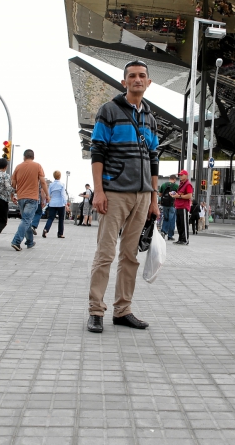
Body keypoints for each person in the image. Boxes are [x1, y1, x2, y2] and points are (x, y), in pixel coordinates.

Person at [87, 60, 160, 333]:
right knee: (105, 253)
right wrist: (99, 191)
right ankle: (96, 310)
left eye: (142, 76)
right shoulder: (108, 110)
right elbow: (98, 152)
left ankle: (123, 310)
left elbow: (153, 158)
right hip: (114, 194)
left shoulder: (151, 118)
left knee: (130, 255)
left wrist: (153, 199)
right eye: (132, 76)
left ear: (149, 82)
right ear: (124, 82)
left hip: (142, 196)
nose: (137, 79)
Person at [10, 149, 48, 251]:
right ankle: (16, 241)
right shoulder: (37, 166)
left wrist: (11, 195)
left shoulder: (18, 167)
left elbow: (13, 184)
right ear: (33, 157)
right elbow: (43, 182)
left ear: (24, 157)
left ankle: (30, 242)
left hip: (21, 198)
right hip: (32, 198)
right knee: (26, 220)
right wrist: (47, 195)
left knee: (26, 220)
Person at [43, 170, 68, 238]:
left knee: (50, 218)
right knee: (61, 219)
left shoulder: (51, 184)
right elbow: (63, 195)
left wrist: (45, 202)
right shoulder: (62, 184)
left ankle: (46, 229)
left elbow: (48, 194)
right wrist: (66, 204)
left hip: (52, 203)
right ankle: (60, 233)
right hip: (60, 204)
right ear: (60, 176)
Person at [172, 170, 194, 245]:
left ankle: (185, 239)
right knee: (179, 224)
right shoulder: (181, 184)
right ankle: (181, 238)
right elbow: (179, 194)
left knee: (184, 224)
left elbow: (189, 195)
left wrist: (179, 196)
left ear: (186, 175)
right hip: (178, 206)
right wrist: (174, 194)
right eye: (179, 175)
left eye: (181, 175)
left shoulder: (188, 184)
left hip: (183, 206)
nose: (180, 176)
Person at [159, 174, 178, 240]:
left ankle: (163, 231)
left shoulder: (163, 185)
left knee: (165, 218)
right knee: (172, 220)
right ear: (174, 179)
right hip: (172, 205)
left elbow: (160, 194)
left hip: (164, 204)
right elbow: (178, 195)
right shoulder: (176, 186)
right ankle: (170, 235)